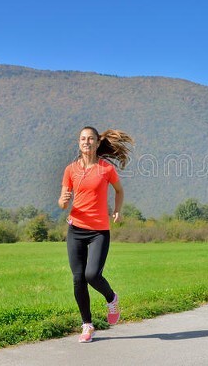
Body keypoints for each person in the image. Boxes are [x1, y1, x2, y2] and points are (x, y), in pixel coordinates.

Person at [58, 126, 134, 343]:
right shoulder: (70, 170)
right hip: (76, 229)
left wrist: (118, 210)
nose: (86, 142)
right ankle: (87, 325)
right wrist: (63, 201)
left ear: (98, 142)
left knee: (92, 275)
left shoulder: (105, 169)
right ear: (78, 142)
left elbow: (119, 190)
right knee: (78, 278)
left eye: (91, 138)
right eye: (83, 138)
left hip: (99, 231)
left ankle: (111, 298)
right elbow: (62, 202)